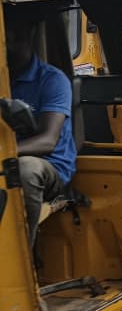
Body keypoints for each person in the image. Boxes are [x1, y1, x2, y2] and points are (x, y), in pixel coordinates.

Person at [6, 17, 76, 247]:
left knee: (26, 169)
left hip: (50, 166)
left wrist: (5, 152)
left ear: (29, 39)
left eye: (12, 42)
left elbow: (48, 140)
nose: (7, 49)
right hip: (6, 161)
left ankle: (21, 255)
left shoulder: (52, 80)